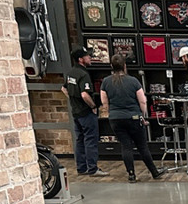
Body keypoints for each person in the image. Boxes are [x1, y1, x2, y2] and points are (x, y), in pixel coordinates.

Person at [99, 53, 163, 182]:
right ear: (124, 65)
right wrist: (142, 115)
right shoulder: (133, 81)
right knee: (142, 146)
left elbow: (104, 102)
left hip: (116, 119)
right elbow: (142, 101)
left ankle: (131, 174)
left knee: (126, 146)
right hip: (133, 117)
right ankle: (154, 172)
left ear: (111, 66)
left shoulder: (106, 82)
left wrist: (112, 113)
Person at [64, 48, 108, 177]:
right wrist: (93, 106)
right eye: (87, 56)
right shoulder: (83, 74)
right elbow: (84, 94)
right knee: (90, 140)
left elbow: (64, 89)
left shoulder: (71, 73)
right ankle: (93, 169)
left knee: (80, 140)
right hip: (86, 112)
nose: (89, 58)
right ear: (80, 59)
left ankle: (81, 168)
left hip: (76, 112)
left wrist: (73, 100)